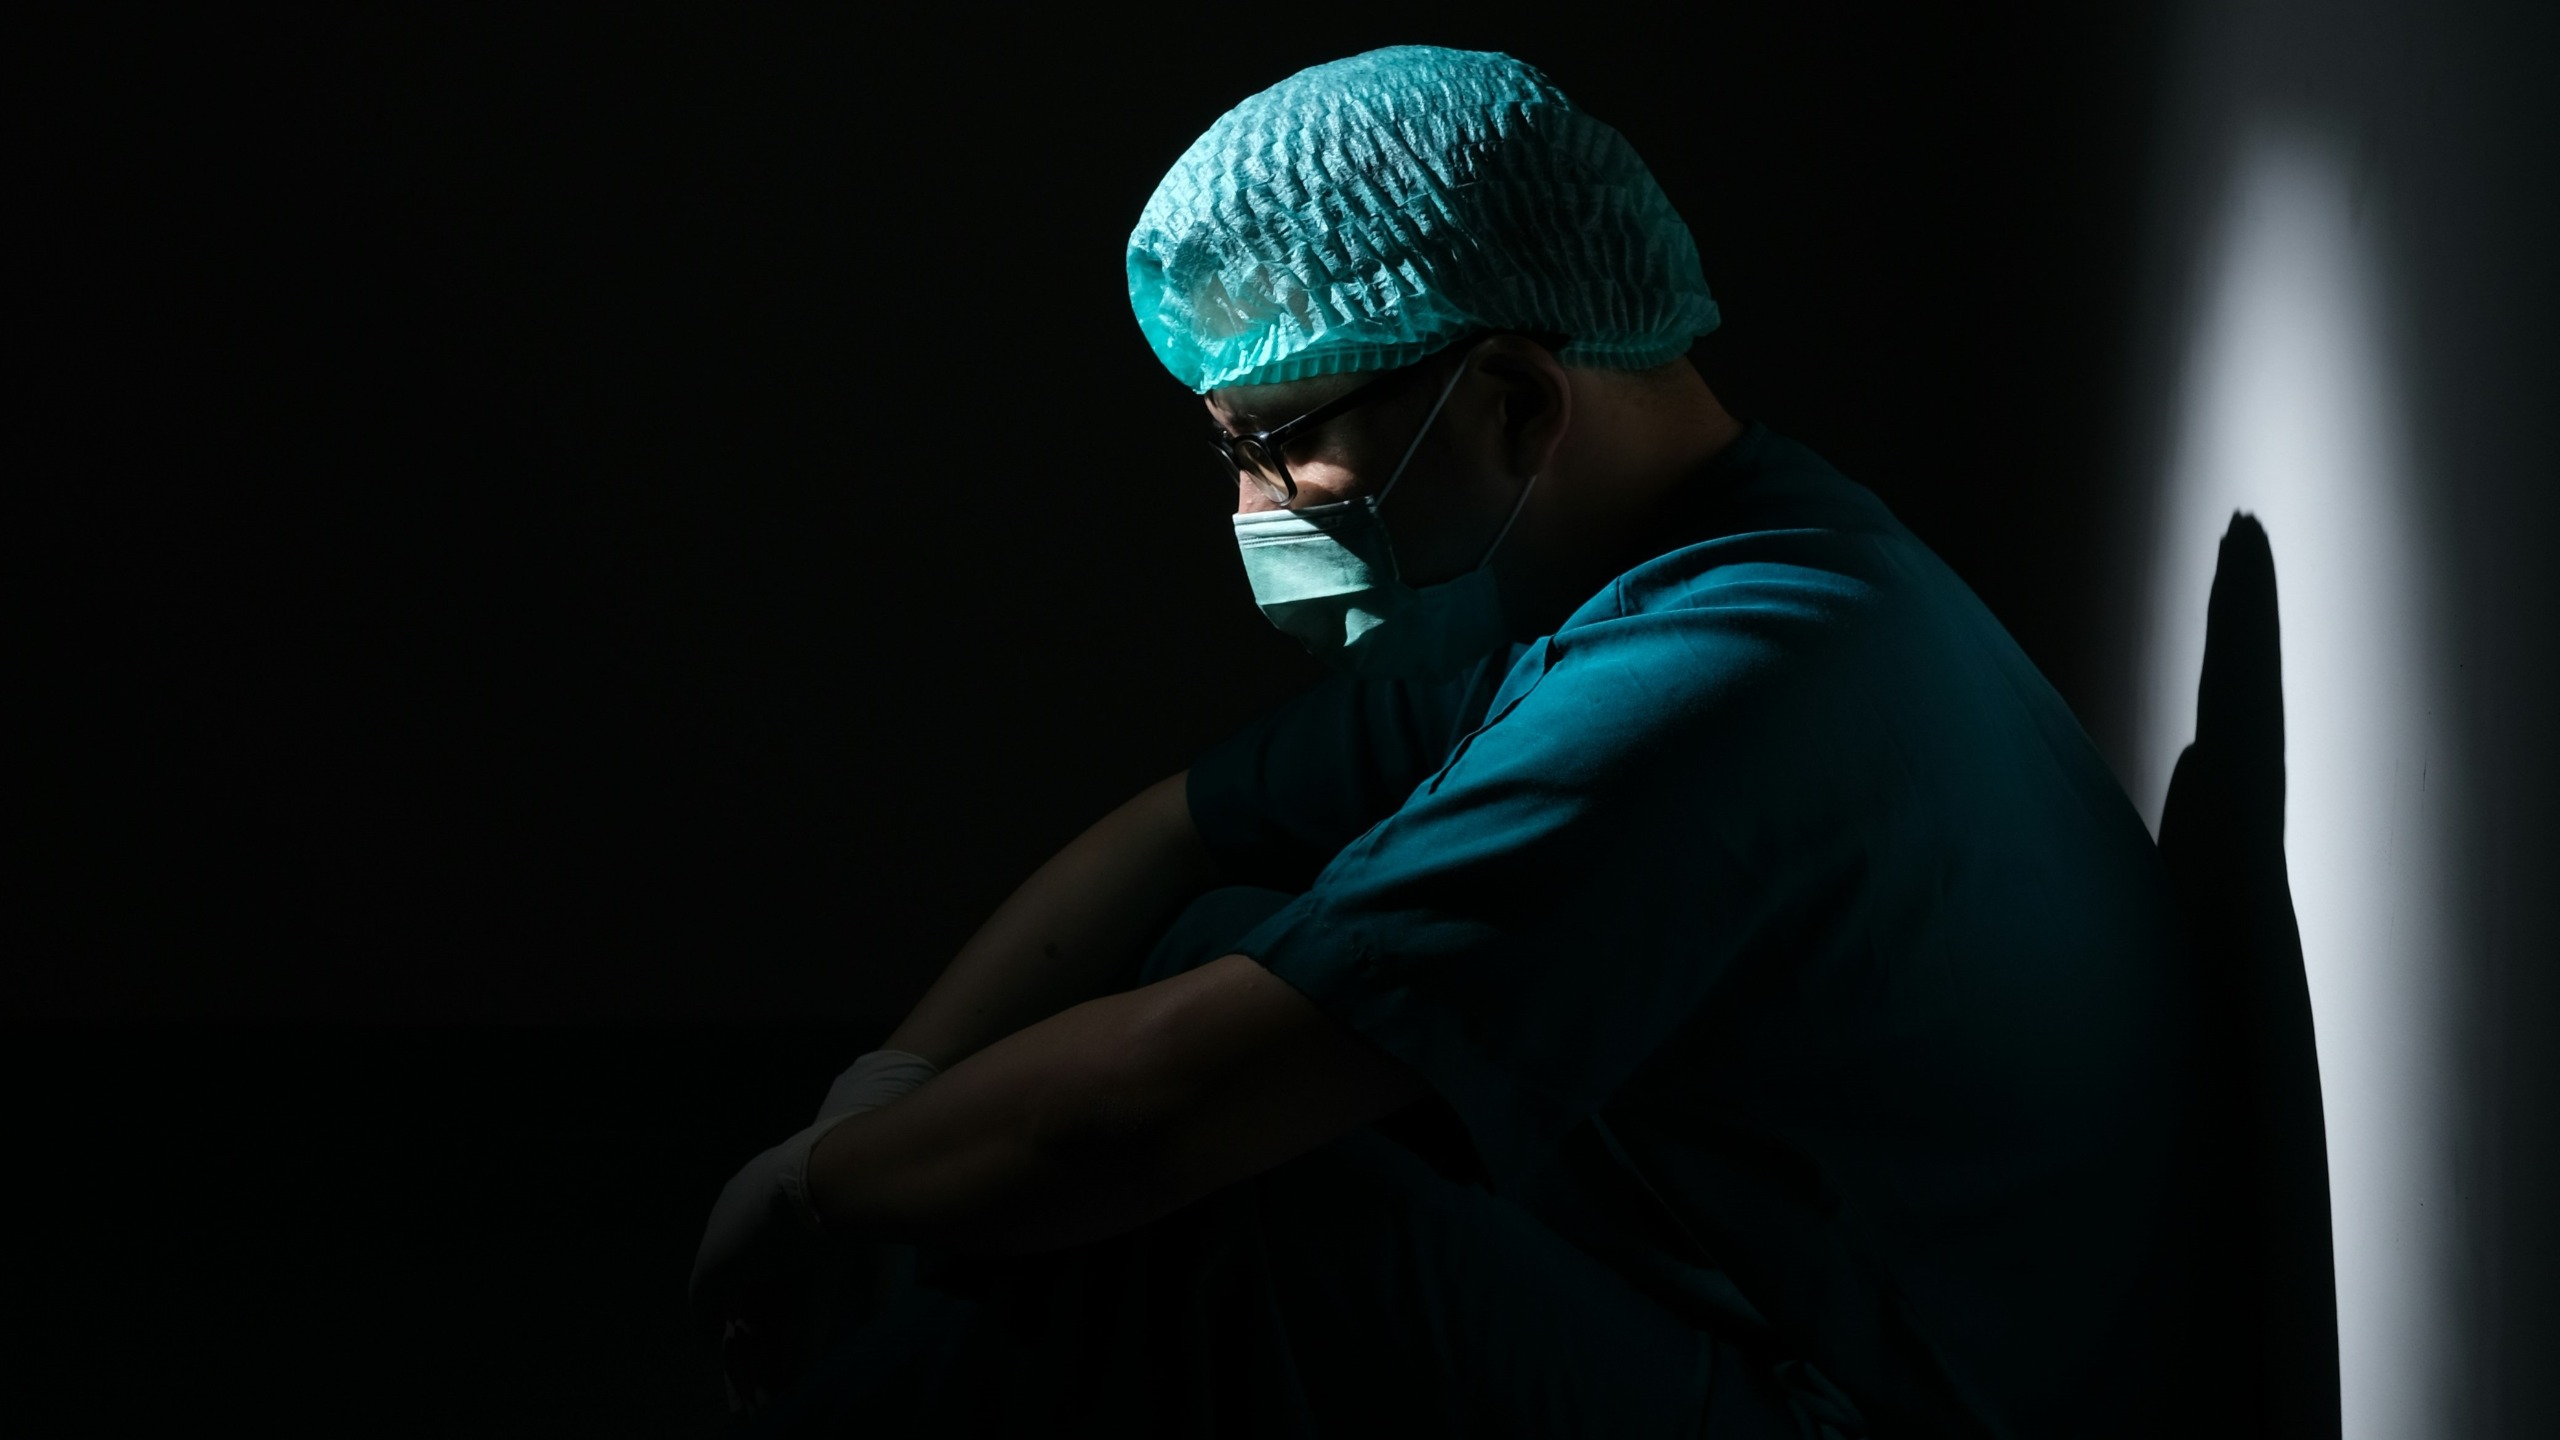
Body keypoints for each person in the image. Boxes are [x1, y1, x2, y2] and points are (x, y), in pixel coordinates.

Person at [692, 46, 2221, 1437]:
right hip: (1773, 1257)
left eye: (1281, 444)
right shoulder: (1694, 547)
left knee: (1230, 1212)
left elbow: (1149, 1110)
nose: (1252, 509)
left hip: (1870, 1404)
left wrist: (818, 1190)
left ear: (1510, 402)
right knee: (1220, 949)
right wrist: (887, 1088)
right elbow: (1181, 827)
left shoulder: (1712, 682)